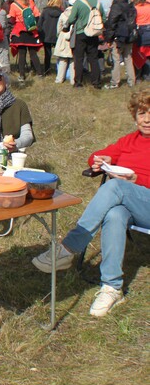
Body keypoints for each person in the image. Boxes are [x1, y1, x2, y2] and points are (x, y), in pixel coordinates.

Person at [32, 88, 150, 317]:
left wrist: (137, 179)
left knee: (115, 187)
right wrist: (101, 160)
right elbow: (99, 154)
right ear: (135, 115)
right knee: (115, 214)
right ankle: (112, 287)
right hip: (130, 203)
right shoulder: (129, 141)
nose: (147, 119)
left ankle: (67, 248)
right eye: (143, 112)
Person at [64, 0, 105, 89]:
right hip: (94, 34)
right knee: (93, 58)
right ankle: (96, 82)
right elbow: (104, 19)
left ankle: (78, 82)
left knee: (79, 58)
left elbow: (72, 19)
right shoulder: (98, 3)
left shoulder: (79, 3)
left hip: (80, 33)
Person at [103, 0, 137, 89]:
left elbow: (111, 23)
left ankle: (115, 82)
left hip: (118, 37)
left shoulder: (116, 6)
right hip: (129, 36)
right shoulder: (130, 6)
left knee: (116, 59)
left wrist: (108, 39)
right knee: (128, 58)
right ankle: (132, 81)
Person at [8, 0, 43, 83]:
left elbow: (12, 19)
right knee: (33, 53)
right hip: (31, 30)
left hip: (20, 31)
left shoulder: (14, 5)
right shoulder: (30, 2)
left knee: (22, 54)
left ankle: (22, 75)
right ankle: (40, 73)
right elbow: (37, 16)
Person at [54, 0, 78, 84]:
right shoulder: (78, 14)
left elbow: (58, 28)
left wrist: (60, 35)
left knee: (62, 60)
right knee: (73, 60)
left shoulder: (63, 14)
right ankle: (73, 80)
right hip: (74, 38)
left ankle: (59, 79)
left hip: (63, 37)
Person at [38, 0, 63, 75]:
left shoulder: (45, 11)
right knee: (60, 54)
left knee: (47, 54)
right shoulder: (62, 13)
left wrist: (40, 34)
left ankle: (47, 70)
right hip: (57, 36)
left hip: (46, 35)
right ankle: (60, 70)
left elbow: (39, 24)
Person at [132, 0, 150, 81]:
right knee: (148, 55)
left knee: (138, 54)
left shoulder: (135, 8)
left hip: (140, 33)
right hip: (149, 32)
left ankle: (138, 77)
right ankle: (147, 75)